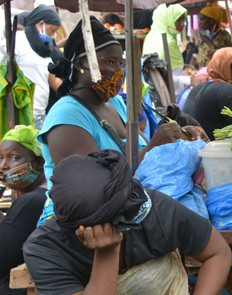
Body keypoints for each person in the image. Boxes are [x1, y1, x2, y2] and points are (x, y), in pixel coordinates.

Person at [23, 150, 231, 295]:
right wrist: (107, 252)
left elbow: (218, 253)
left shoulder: (153, 209)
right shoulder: (45, 248)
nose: (138, 214)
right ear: (81, 230)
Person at [41, 18, 201, 224]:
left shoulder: (114, 103)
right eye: (109, 62)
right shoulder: (67, 117)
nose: (118, 71)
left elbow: (140, 149)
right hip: (83, 223)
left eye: (120, 63)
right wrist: (154, 145)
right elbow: (96, 186)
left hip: (129, 206)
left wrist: (179, 136)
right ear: (82, 63)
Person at [0, 126, 47, 295]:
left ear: (39, 162)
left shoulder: (32, 201)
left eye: (14, 158)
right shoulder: (37, 197)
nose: (3, 166)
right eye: (1, 158)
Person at [15, 5, 63, 127]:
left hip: (39, 115)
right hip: (19, 114)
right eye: (52, 30)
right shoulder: (16, 42)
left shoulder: (44, 49)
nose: (54, 35)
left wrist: (76, 94)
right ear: (40, 24)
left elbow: (52, 80)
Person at [141, 4, 191, 93]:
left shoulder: (151, 36)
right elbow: (162, 76)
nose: (182, 23)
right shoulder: (167, 42)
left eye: (183, 19)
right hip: (169, 95)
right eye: (178, 19)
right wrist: (189, 80)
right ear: (166, 19)